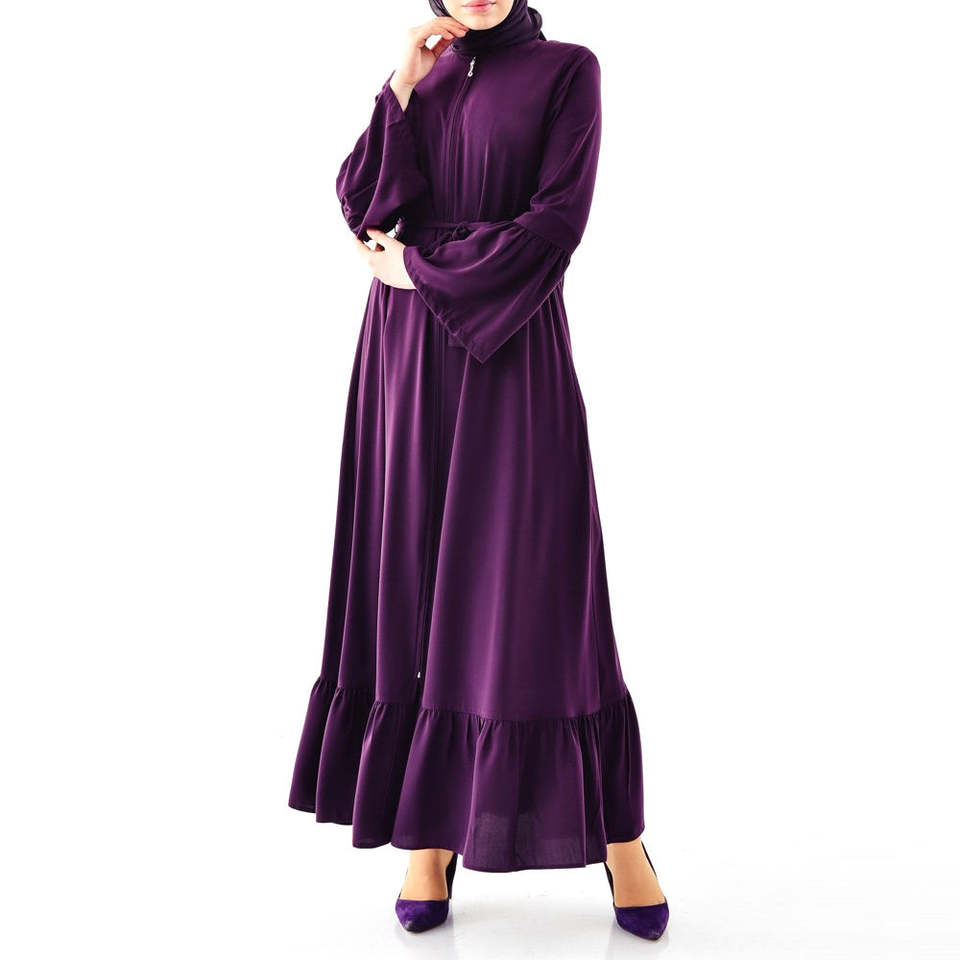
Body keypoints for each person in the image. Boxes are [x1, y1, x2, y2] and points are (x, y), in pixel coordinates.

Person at [289, 0, 668, 938]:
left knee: (536, 595)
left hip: (510, 348)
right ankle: (428, 836)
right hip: (403, 358)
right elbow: (363, 206)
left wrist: (422, 269)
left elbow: (555, 226)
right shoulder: (420, 77)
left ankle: (620, 836)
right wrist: (400, 85)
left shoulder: (569, 69)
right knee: (410, 582)